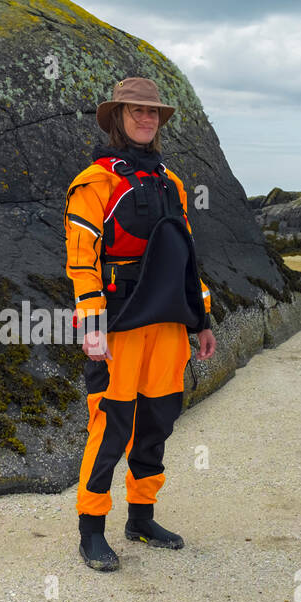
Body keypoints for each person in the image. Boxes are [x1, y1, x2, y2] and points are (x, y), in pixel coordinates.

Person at [63, 77, 217, 571]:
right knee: (110, 427)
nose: (146, 119)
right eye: (135, 112)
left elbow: (187, 259)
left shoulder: (172, 184)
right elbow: (80, 260)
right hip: (119, 325)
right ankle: (91, 529)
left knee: (156, 424)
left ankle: (142, 518)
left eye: (152, 113)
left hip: (169, 325)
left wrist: (203, 319)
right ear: (117, 119)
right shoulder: (95, 183)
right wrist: (89, 323)